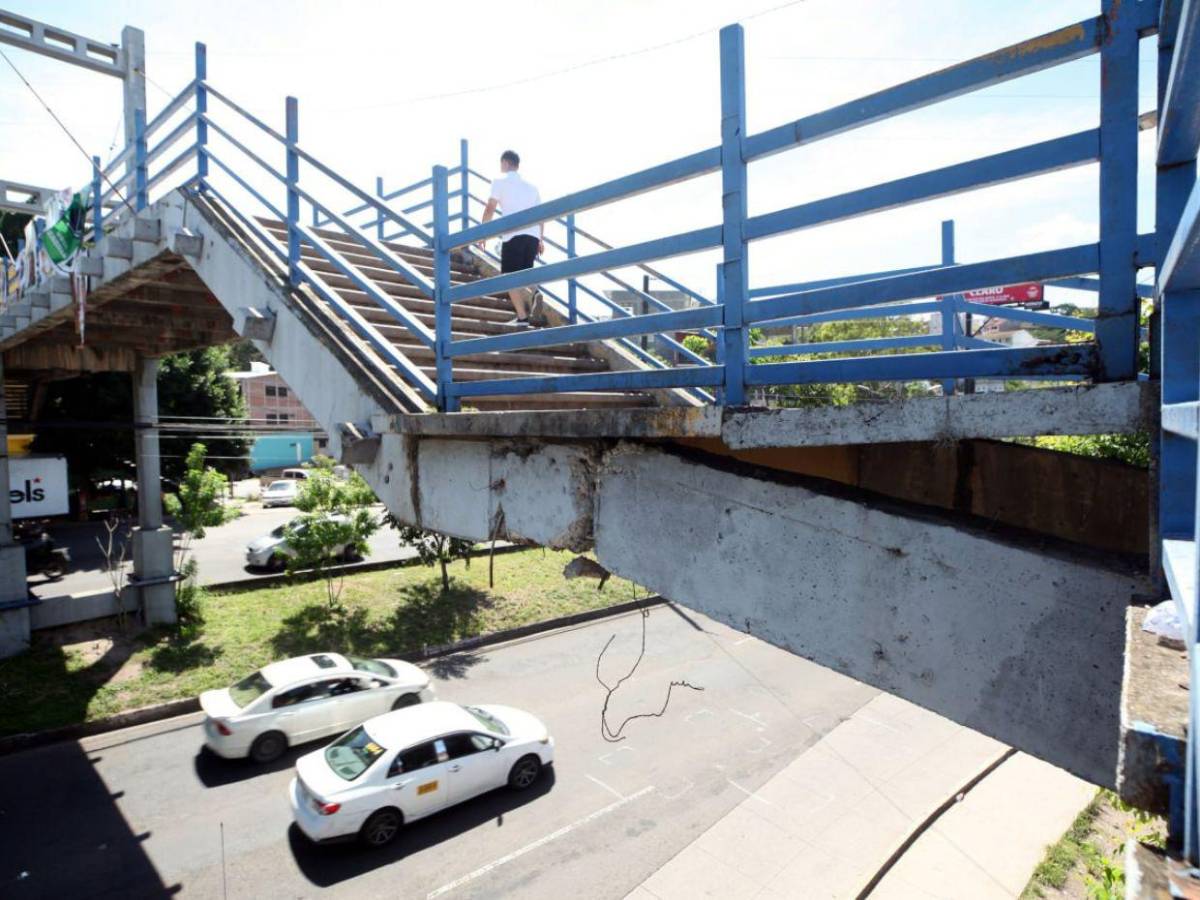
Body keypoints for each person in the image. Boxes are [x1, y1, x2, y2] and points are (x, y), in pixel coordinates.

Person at [478, 150, 545, 327]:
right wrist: (540, 239)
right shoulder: (532, 187)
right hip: (532, 235)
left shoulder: (499, 182)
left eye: (501, 163)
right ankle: (536, 292)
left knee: (508, 277)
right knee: (525, 272)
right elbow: (541, 215)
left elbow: (490, 207)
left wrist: (483, 233)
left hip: (513, 234)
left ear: (506, 163)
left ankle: (522, 317)